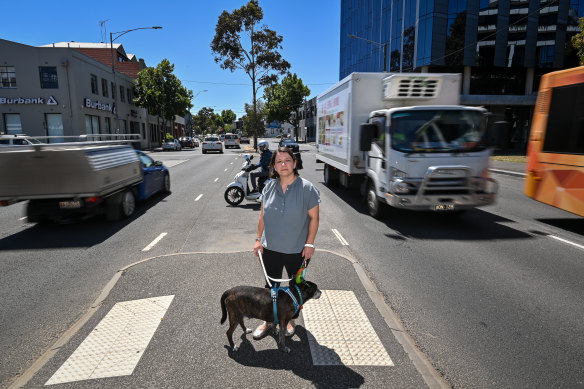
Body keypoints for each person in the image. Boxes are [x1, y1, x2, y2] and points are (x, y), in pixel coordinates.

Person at [252, 147, 321, 339]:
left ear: (295, 163)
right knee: (270, 287)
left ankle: (289, 319)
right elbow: (262, 215)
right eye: (279, 161)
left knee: (294, 288)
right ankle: (268, 320)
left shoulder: (307, 188)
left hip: (297, 251)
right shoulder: (268, 187)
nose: (283, 164)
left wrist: (310, 244)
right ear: (274, 166)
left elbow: (314, 219)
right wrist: (258, 240)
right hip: (270, 249)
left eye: (287, 160)